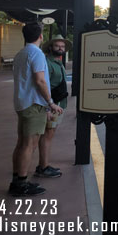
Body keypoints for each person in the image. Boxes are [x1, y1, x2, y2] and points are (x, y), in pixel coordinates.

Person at [9, 22, 63, 196]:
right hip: (34, 104)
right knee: (29, 145)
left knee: (21, 143)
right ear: (40, 36)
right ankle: (21, 184)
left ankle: (17, 179)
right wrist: (50, 102)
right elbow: (40, 80)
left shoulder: (21, 53)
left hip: (22, 103)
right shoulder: (37, 54)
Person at [36, 35, 72, 178]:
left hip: (59, 105)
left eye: (62, 47)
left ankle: (44, 165)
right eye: (57, 46)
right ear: (50, 47)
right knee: (47, 135)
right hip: (52, 106)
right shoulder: (47, 63)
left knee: (50, 134)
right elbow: (43, 85)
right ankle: (43, 167)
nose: (60, 49)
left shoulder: (58, 62)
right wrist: (47, 107)